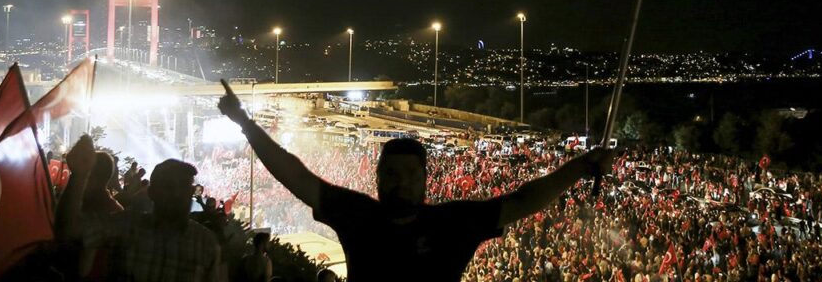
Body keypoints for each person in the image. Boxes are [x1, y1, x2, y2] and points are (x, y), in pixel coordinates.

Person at [218, 79, 615, 282]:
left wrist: (581, 166)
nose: (400, 183)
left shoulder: (452, 224)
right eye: (391, 174)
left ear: (426, 180)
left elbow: (525, 199)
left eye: (410, 175)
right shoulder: (358, 216)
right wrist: (245, 124)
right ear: (377, 178)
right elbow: (294, 174)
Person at [56, 135, 221, 282]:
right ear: (151, 193)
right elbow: (68, 230)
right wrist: (78, 175)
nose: (176, 193)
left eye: (184, 186)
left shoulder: (206, 245)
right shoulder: (126, 226)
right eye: (168, 186)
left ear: (192, 192)